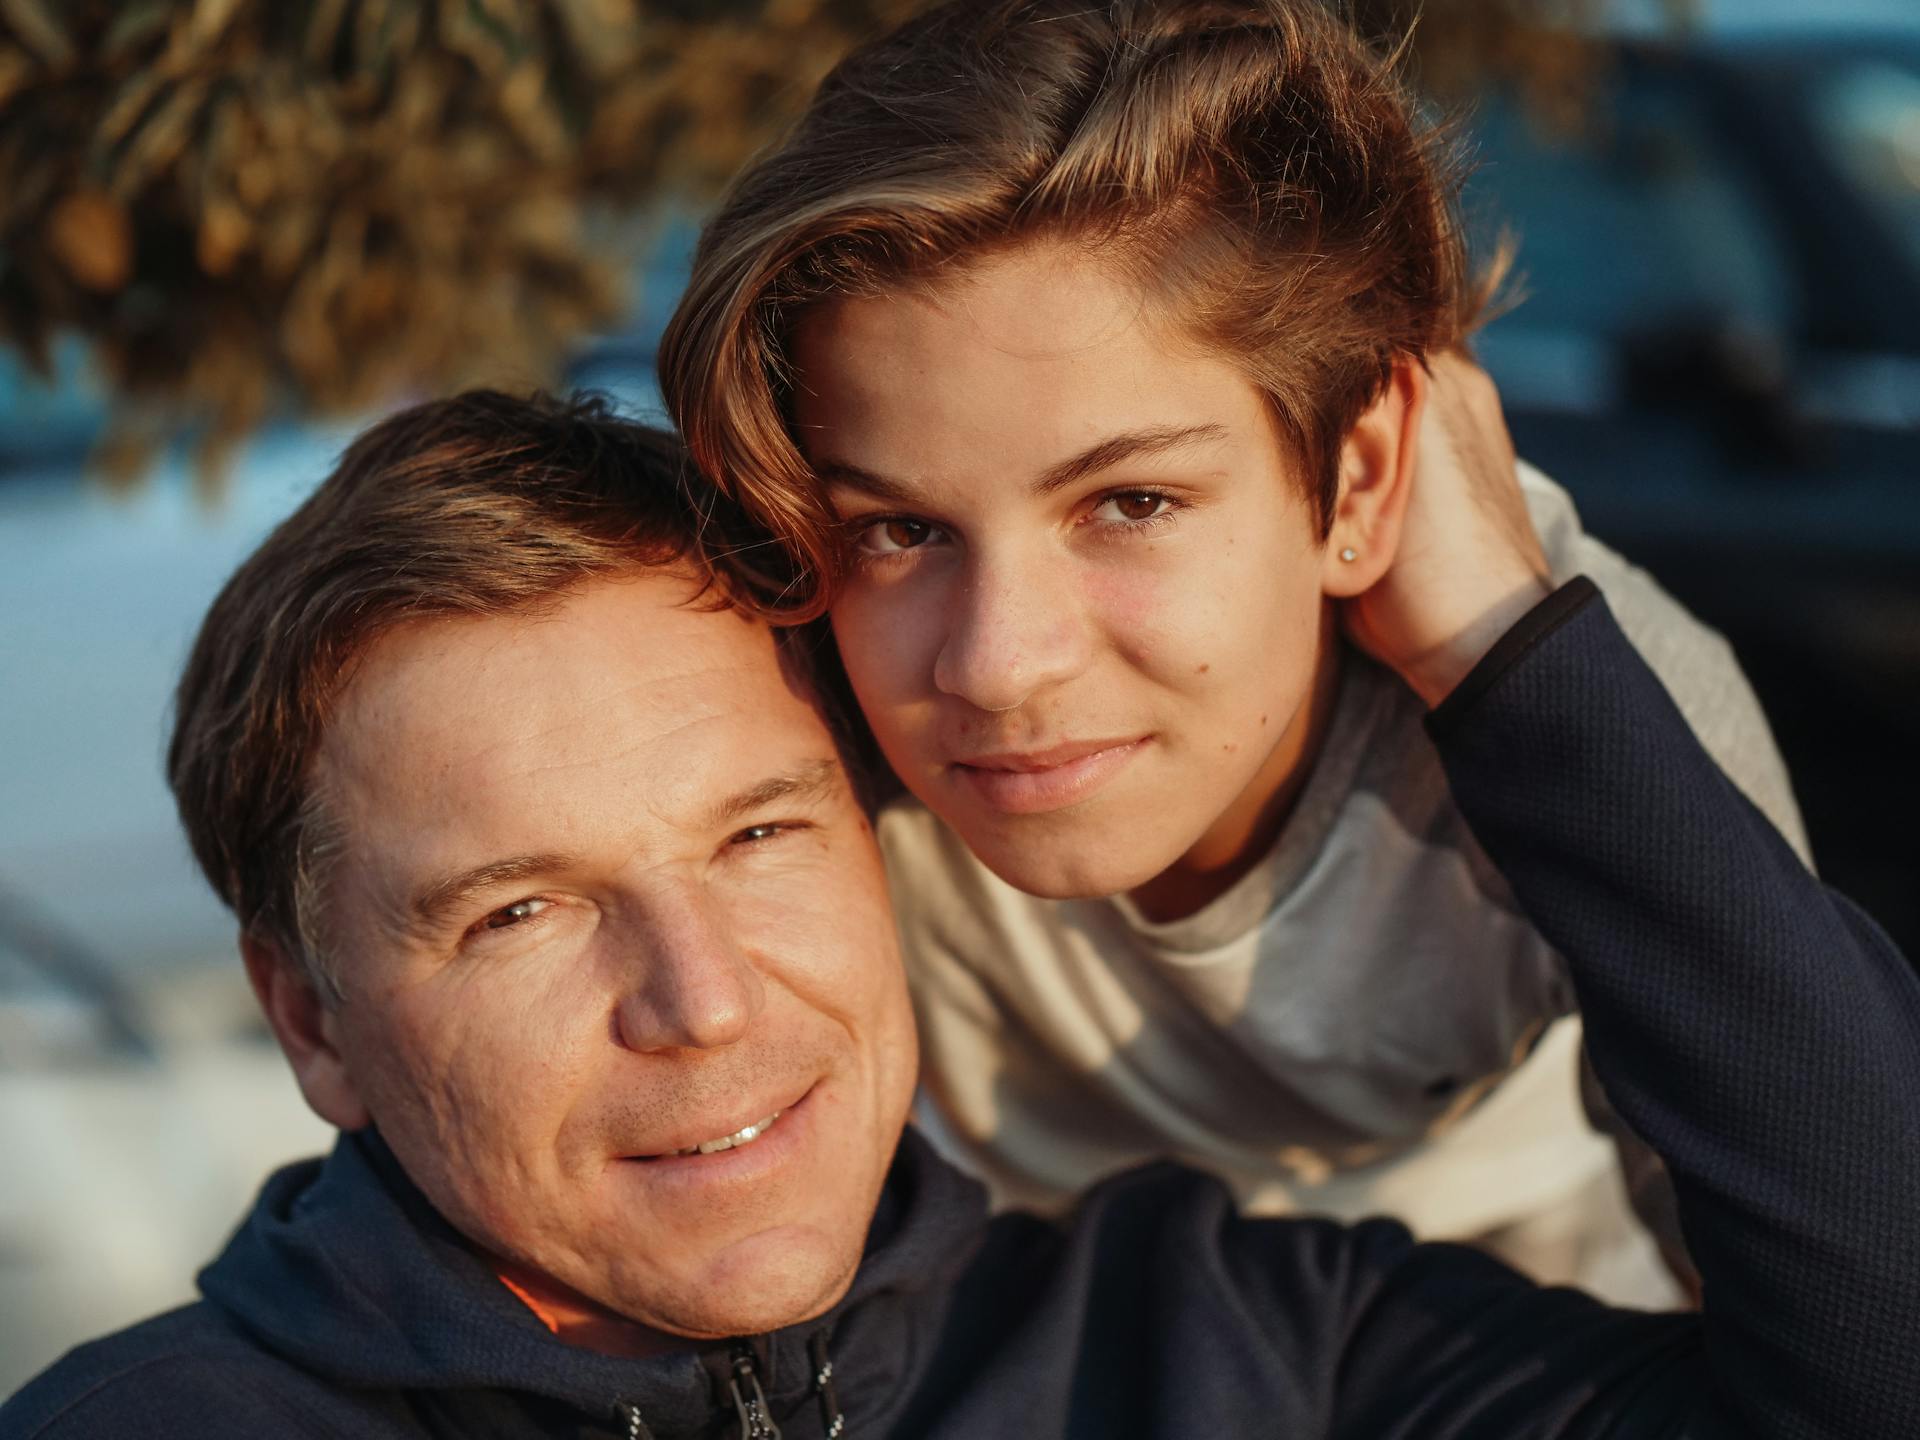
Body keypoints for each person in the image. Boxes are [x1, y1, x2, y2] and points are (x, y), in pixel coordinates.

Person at [5, 387, 1918, 1440]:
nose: (699, 1001)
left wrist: (1508, 661)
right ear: (315, 1023)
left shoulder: (1236, 1355)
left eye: (762, 838)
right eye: (517, 912)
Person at [656, 0, 1803, 1297]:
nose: (997, 665)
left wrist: (1506, 664)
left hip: (1526, 1325)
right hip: (1041, 1337)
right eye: (903, 530)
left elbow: (1850, 1308)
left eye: (1129, 504)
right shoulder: (781, 674)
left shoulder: (1599, 695)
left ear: (1359, 479)